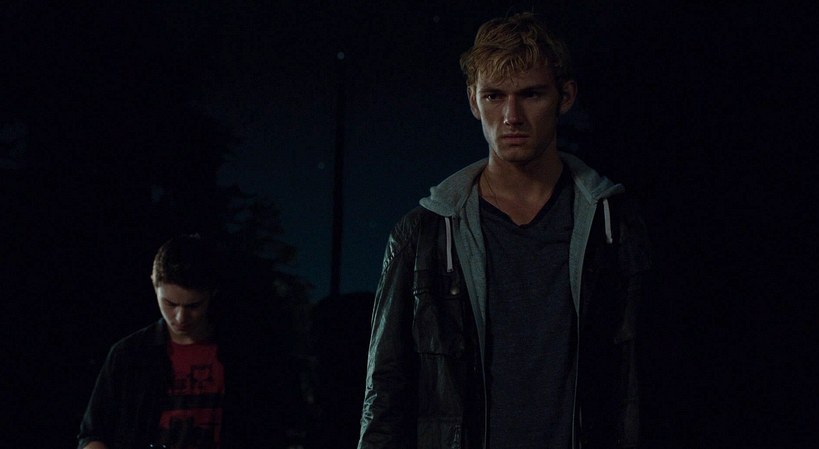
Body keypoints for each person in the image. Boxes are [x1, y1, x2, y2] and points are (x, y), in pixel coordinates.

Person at [358, 12, 652, 449]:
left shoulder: (615, 226)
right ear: (473, 102)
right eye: (494, 96)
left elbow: (646, 377)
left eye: (531, 94)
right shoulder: (424, 234)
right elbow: (385, 392)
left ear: (565, 96)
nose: (512, 116)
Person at [77, 235, 289, 449]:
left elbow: (271, 429)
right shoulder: (129, 354)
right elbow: (93, 434)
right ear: (154, 285)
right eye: (170, 304)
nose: (180, 317)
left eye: (193, 306)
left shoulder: (245, 354)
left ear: (212, 292)